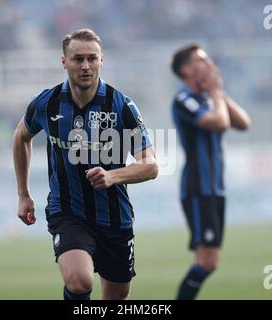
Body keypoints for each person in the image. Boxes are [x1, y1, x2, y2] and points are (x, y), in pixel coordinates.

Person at [13, 28, 158, 300]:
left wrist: (113, 176)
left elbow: (151, 165)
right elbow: (21, 137)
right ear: (64, 62)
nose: (85, 66)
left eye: (92, 58)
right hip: (67, 212)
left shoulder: (122, 106)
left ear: (102, 61)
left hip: (115, 218)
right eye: (78, 59)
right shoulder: (46, 103)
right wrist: (23, 194)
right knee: (79, 282)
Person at [170, 44, 251, 300]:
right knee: (207, 261)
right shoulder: (184, 99)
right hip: (199, 187)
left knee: (209, 261)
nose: (208, 64)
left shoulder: (208, 98)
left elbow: (243, 123)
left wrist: (218, 93)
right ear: (186, 69)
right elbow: (220, 123)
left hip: (214, 186)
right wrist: (215, 92)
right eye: (201, 60)